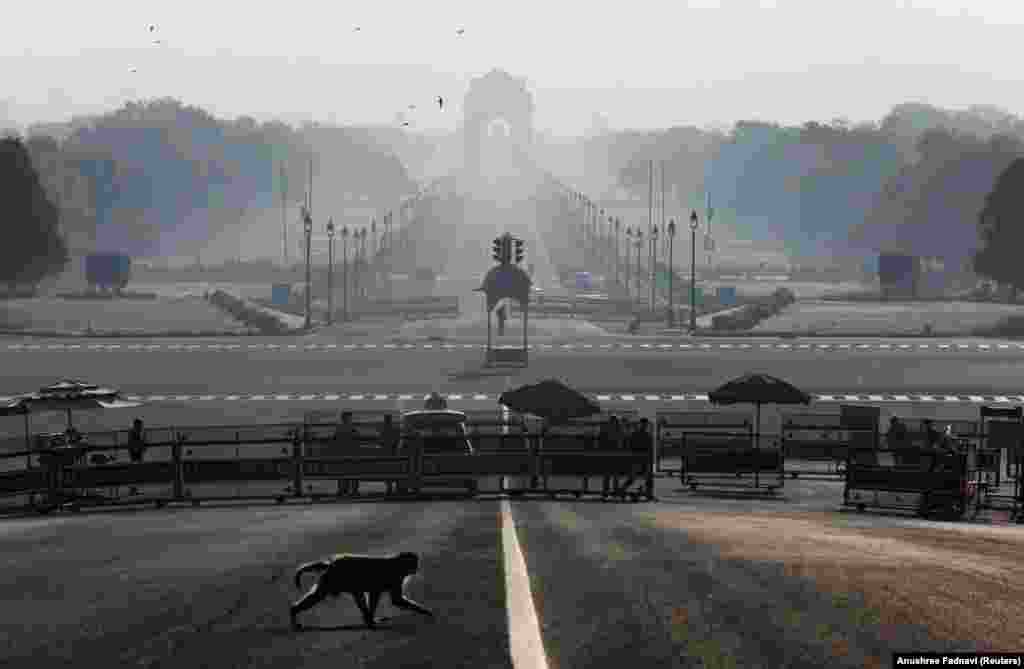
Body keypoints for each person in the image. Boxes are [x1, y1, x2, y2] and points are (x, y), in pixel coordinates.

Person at [333, 411, 360, 496]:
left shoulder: (339, 428)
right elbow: (358, 438)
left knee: (343, 472)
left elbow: (335, 439)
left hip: (342, 453)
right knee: (352, 472)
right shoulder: (352, 428)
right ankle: (353, 490)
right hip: (351, 453)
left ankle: (343, 489)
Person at [379, 414, 401, 495]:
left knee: (388, 471)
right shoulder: (394, 430)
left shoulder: (383, 430)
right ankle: (398, 487)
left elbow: (380, 442)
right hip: (393, 453)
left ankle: (389, 487)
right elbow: (397, 440)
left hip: (386, 453)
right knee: (395, 471)